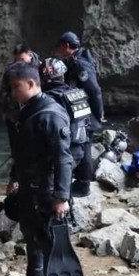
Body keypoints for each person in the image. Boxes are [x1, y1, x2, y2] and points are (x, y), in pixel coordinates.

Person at [1, 62, 74, 276]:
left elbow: (63, 159)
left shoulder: (50, 115)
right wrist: (14, 177)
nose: (13, 93)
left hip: (47, 190)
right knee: (30, 234)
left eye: (16, 87)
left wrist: (62, 197)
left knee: (50, 242)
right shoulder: (30, 110)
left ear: (32, 84)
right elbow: (22, 151)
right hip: (29, 187)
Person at [40, 58, 94, 198]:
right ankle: (83, 185)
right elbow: (86, 131)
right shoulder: (77, 94)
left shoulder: (48, 99)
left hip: (61, 157)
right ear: (63, 74)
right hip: (80, 153)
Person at [56, 32, 105, 126]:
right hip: (77, 107)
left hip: (85, 110)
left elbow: (94, 90)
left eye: (60, 47)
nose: (59, 50)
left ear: (66, 45)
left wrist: (99, 114)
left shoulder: (80, 65)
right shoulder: (71, 61)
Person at [0, 43, 40, 152]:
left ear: (30, 55)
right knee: (15, 142)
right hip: (15, 110)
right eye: (17, 60)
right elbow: (4, 91)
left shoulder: (41, 68)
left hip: (36, 109)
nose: (20, 63)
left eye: (22, 59)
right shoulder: (11, 71)